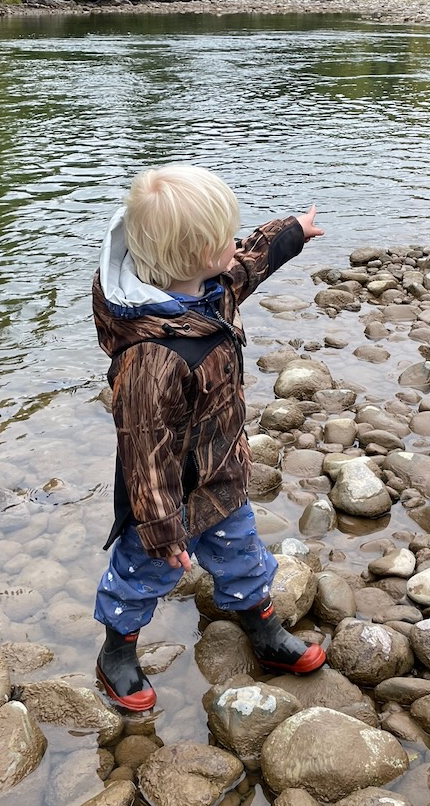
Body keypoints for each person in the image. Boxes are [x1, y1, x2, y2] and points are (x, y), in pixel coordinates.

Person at [91, 163, 327, 711]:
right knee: (140, 575)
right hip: (164, 502)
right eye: (224, 238)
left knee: (244, 556)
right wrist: (161, 530)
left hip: (221, 474)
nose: (235, 245)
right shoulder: (151, 357)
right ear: (194, 256)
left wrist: (290, 231)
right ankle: (116, 652)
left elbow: (247, 265)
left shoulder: (206, 287)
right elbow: (143, 457)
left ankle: (261, 629)